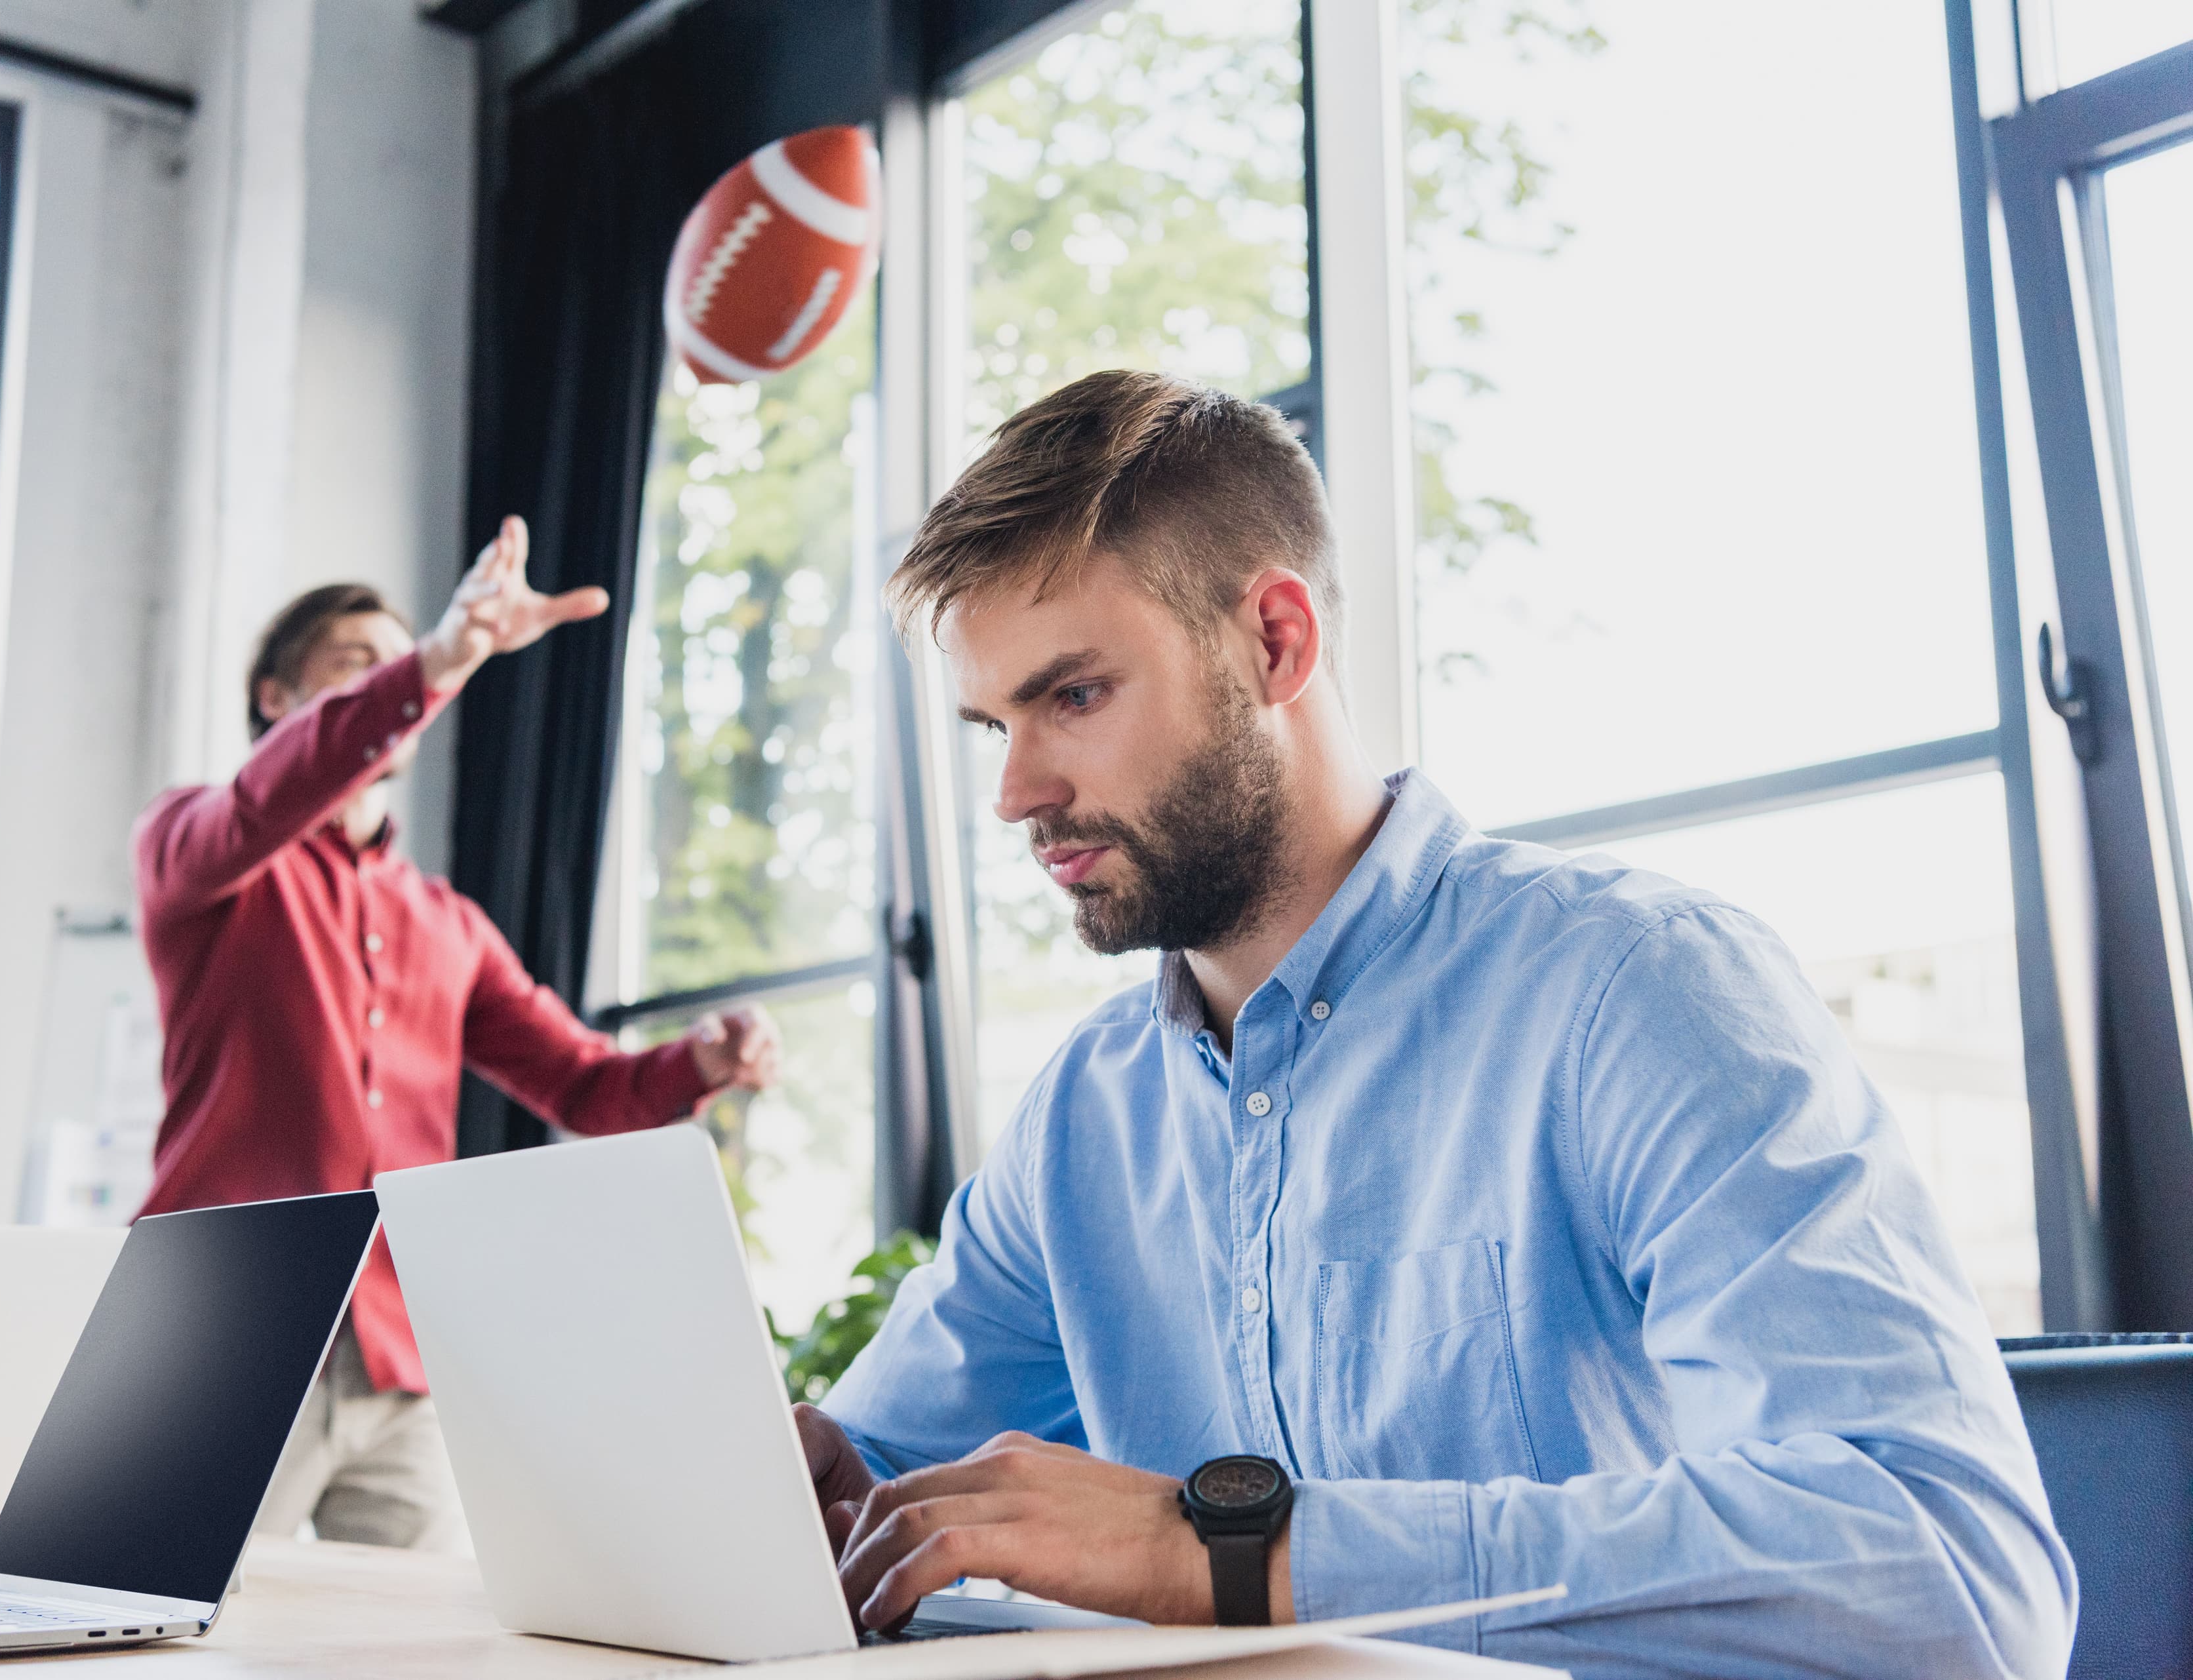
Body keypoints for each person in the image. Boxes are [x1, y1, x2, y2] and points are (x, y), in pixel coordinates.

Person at [794, 372, 2074, 1677]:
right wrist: (792, 1488)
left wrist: (1233, 1552)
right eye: (993, 723)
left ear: (1276, 644)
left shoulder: (1636, 990)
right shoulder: (1084, 1117)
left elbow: (1951, 1573)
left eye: (1072, 696)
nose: (1015, 793)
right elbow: (881, 1476)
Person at [134, 517, 780, 1550]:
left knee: (422, 1648)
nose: (398, 683)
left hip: (399, 1356)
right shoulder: (193, 846)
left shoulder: (449, 925)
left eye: (408, 667)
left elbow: (583, 1088)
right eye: (360, 666)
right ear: (277, 697)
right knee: (155, 1634)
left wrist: (699, 1061)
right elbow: (266, 799)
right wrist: (434, 660)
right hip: (217, 1337)